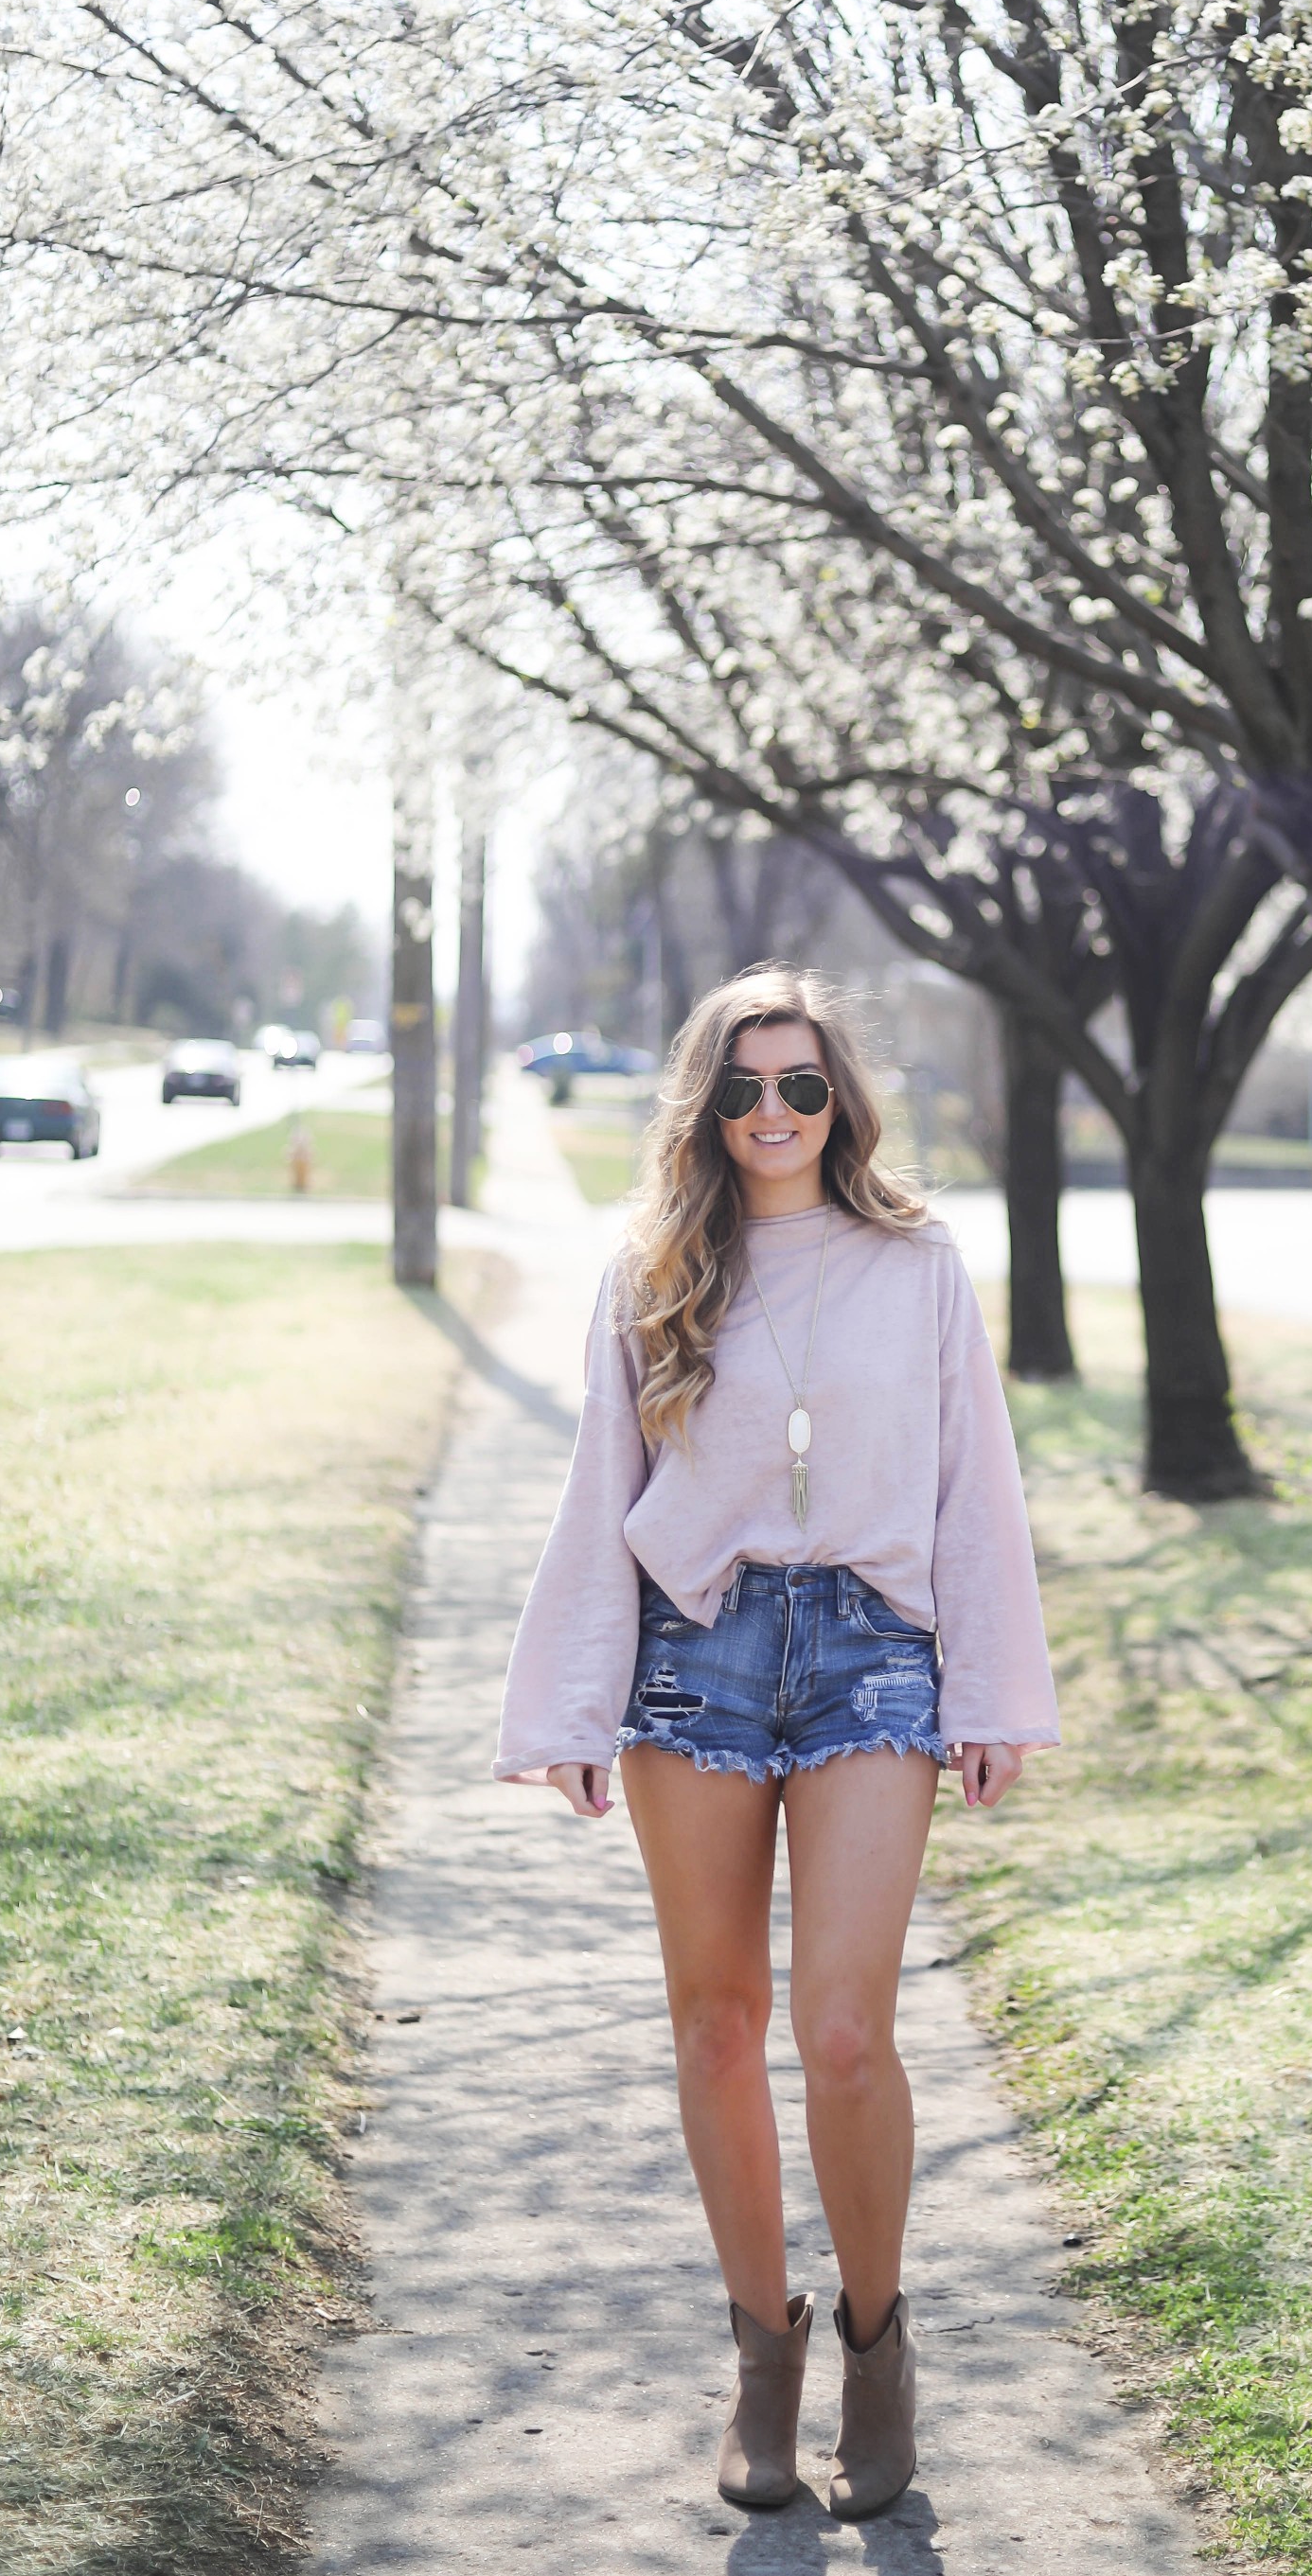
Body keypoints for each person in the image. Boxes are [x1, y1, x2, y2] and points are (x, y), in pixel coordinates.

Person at [493, 964, 1059, 2520]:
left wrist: (998, 1692)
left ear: (841, 1099)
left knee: (846, 2030)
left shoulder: (917, 1262)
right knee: (715, 2021)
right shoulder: (659, 1262)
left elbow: (975, 1484)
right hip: (701, 1654)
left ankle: (879, 2346)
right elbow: (601, 1488)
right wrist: (567, 1700)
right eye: (741, 1087)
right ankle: (765, 2361)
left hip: (875, 1647)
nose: (770, 1115)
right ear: (706, 1102)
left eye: (799, 1086)